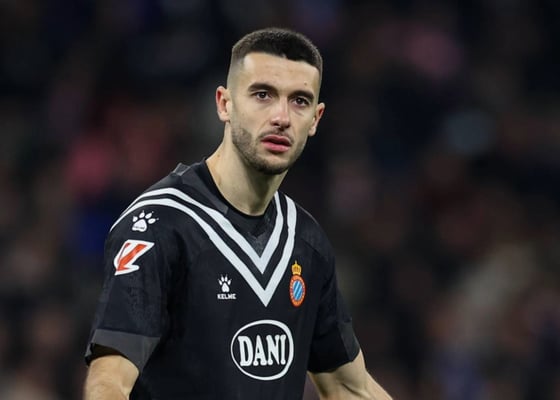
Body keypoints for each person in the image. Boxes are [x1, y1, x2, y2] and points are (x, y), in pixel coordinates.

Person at [83, 27, 392, 400]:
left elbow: (348, 386)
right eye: (263, 95)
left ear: (315, 119)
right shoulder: (159, 226)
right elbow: (109, 382)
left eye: (299, 101)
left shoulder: (306, 241)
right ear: (224, 104)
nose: (281, 116)